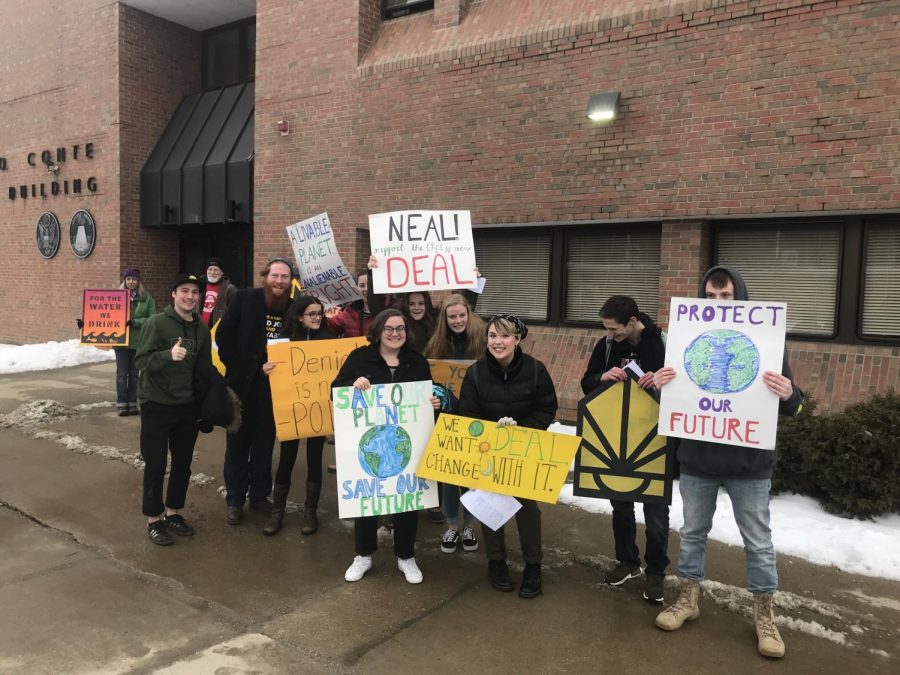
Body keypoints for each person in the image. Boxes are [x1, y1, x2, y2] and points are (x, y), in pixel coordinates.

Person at [653, 265, 804, 659]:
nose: (719, 303)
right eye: (711, 296)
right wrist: (663, 385)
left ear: (741, 297)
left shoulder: (769, 342)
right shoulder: (686, 341)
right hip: (698, 460)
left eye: (726, 296)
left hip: (749, 462)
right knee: (692, 533)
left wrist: (790, 394)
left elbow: (794, 407)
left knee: (758, 542)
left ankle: (765, 615)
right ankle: (688, 599)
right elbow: (675, 404)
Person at [332, 308, 441, 584]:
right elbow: (337, 390)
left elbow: (427, 399)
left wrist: (435, 404)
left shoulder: (416, 362)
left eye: (401, 329)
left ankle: (406, 556)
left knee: (407, 500)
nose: (395, 334)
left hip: (406, 444)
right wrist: (352, 385)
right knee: (368, 500)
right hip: (372, 444)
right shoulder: (360, 358)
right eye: (390, 329)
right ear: (379, 331)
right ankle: (363, 555)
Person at [458, 314, 558, 598]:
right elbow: (468, 415)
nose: (497, 342)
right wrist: (492, 433)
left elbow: (547, 407)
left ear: (517, 339)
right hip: (488, 450)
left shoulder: (535, 370)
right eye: (492, 336)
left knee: (527, 510)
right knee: (491, 505)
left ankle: (533, 566)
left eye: (504, 336)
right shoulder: (476, 373)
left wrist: (520, 429)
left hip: (523, 449)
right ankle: (497, 561)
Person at [580, 295, 670, 602]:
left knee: (656, 512)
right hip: (616, 438)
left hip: (655, 441)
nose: (609, 334)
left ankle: (656, 572)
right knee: (621, 505)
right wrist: (602, 377)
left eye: (614, 329)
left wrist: (657, 382)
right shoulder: (605, 346)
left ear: (633, 321)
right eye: (606, 328)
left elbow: (684, 390)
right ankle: (628, 561)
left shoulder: (663, 343)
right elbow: (587, 382)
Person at [134, 274, 211, 545]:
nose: (190, 296)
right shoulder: (157, 323)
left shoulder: (202, 329)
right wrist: (168, 356)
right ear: (173, 294)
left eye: (194, 292)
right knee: (155, 464)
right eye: (184, 291)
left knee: (182, 464)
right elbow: (141, 360)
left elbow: (205, 370)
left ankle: (173, 512)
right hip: (156, 404)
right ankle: (154, 519)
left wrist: (208, 405)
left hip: (186, 407)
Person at [217, 257, 294, 525]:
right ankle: (235, 500)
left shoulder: (293, 308)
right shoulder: (244, 299)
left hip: (275, 389)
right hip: (241, 386)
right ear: (265, 276)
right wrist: (239, 368)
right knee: (237, 444)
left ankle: (259, 496)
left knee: (264, 445)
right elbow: (222, 336)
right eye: (275, 275)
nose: (280, 281)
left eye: (285, 277)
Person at [264, 296, 335, 536]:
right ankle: (277, 512)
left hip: (317, 411)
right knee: (286, 459)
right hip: (291, 411)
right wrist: (266, 369)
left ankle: (310, 512)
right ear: (299, 317)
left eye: (319, 313)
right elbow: (274, 369)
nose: (317, 318)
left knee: (315, 459)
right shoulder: (284, 342)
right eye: (312, 314)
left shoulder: (328, 340)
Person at [114, 266, 156, 416]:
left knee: (134, 375)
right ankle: (121, 404)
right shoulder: (115, 298)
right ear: (124, 280)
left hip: (138, 342)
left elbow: (152, 320)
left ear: (139, 282)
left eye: (134, 279)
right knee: (121, 374)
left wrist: (135, 322)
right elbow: (104, 315)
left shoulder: (147, 299)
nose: (131, 282)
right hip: (120, 342)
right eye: (128, 279)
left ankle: (132, 403)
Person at [326, 270, 373, 338]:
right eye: (362, 285)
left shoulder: (385, 312)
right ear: (357, 288)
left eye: (370, 285)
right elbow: (330, 325)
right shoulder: (350, 311)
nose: (366, 289)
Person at [200, 257, 237, 328]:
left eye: (216, 270)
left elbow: (234, 313)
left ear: (222, 272)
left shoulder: (230, 289)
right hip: (200, 330)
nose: (212, 272)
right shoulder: (200, 287)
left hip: (219, 331)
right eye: (210, 269)